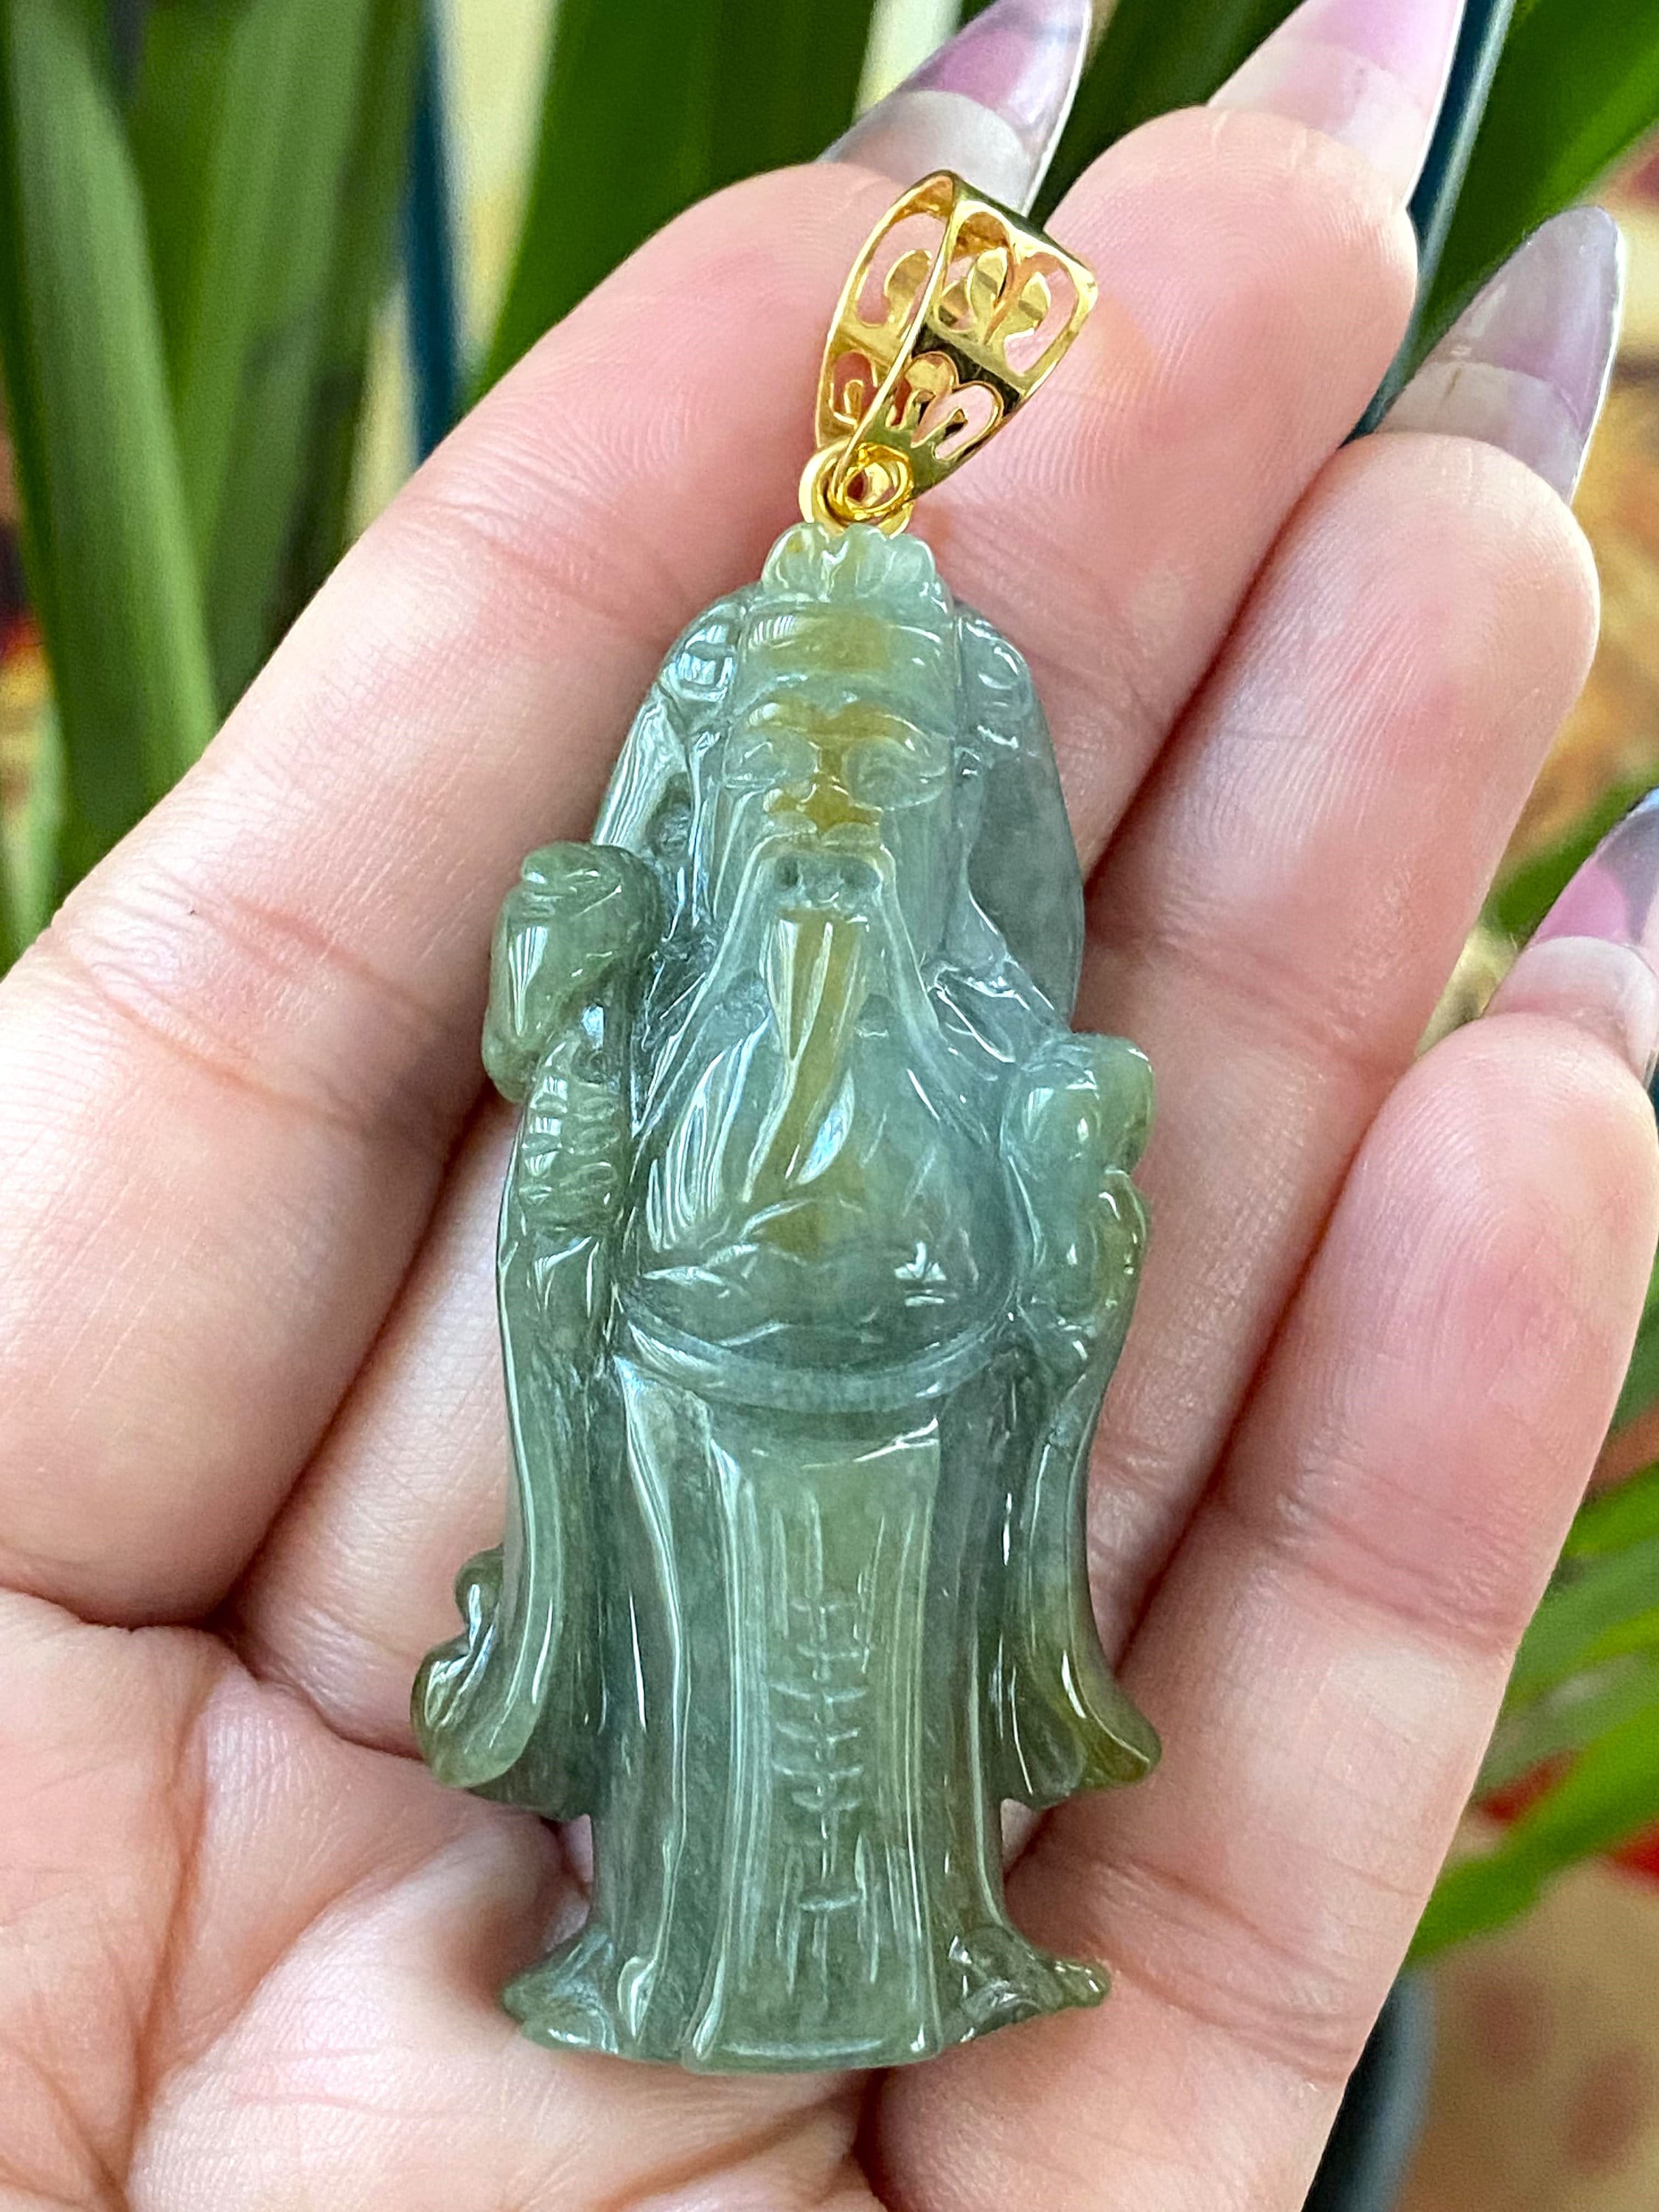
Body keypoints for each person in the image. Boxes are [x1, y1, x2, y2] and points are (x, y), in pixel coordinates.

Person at [0, 0, 1652, 2203]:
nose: (831, 784)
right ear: (731, 750)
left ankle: (908, 1941)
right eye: (796, 747)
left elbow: (1038, 1006)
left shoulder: (954, 973)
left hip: (912, 1360)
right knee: (702, 1707)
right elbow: (554, 1038)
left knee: (885, 1722)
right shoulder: (686, 908)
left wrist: (1056, 1169)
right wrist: (577, 977)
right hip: (693, 1352)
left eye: (876, 756)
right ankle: (674, 1952)